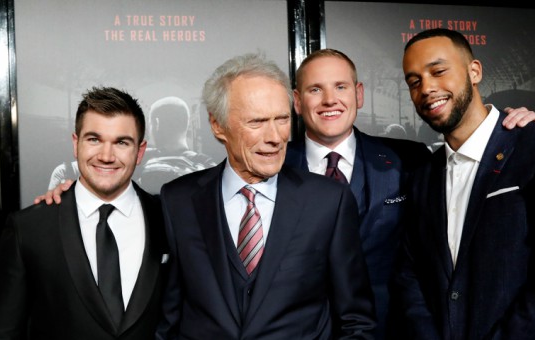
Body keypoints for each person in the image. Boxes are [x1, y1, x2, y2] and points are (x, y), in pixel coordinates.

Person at [284, 48, 535, 339]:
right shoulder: (273, 169)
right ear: (297, 101)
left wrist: (513, 130)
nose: (330, 99)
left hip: (394, 331)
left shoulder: (409, 160)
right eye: (315, 89)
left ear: (359, 94)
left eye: (341, 87)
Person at [154, 52, 376, 339]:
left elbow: (356, 321)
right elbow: (169, 319)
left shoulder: (329, 201)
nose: (274, 136)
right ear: (217, 125)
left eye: (282, 119)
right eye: (257, 122)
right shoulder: (178, 200)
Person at [390, 28, 535, 339]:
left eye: (438, 71)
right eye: (414, 81)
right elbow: (410, 272)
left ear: (474, 71)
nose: (426, 88)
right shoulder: (423, 176)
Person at [0, 87, 169, 339]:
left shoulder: (170, 219)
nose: (106, 156)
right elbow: (1, 332)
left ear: (140, 151)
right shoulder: (29, 228)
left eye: (121, 142)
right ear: (75, 143)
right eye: (94, 139)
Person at [138, 96, 216, 194]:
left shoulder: (145, 163)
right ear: (186, 125)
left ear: (156, 123)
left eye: (150, 124)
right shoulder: (208, 165)